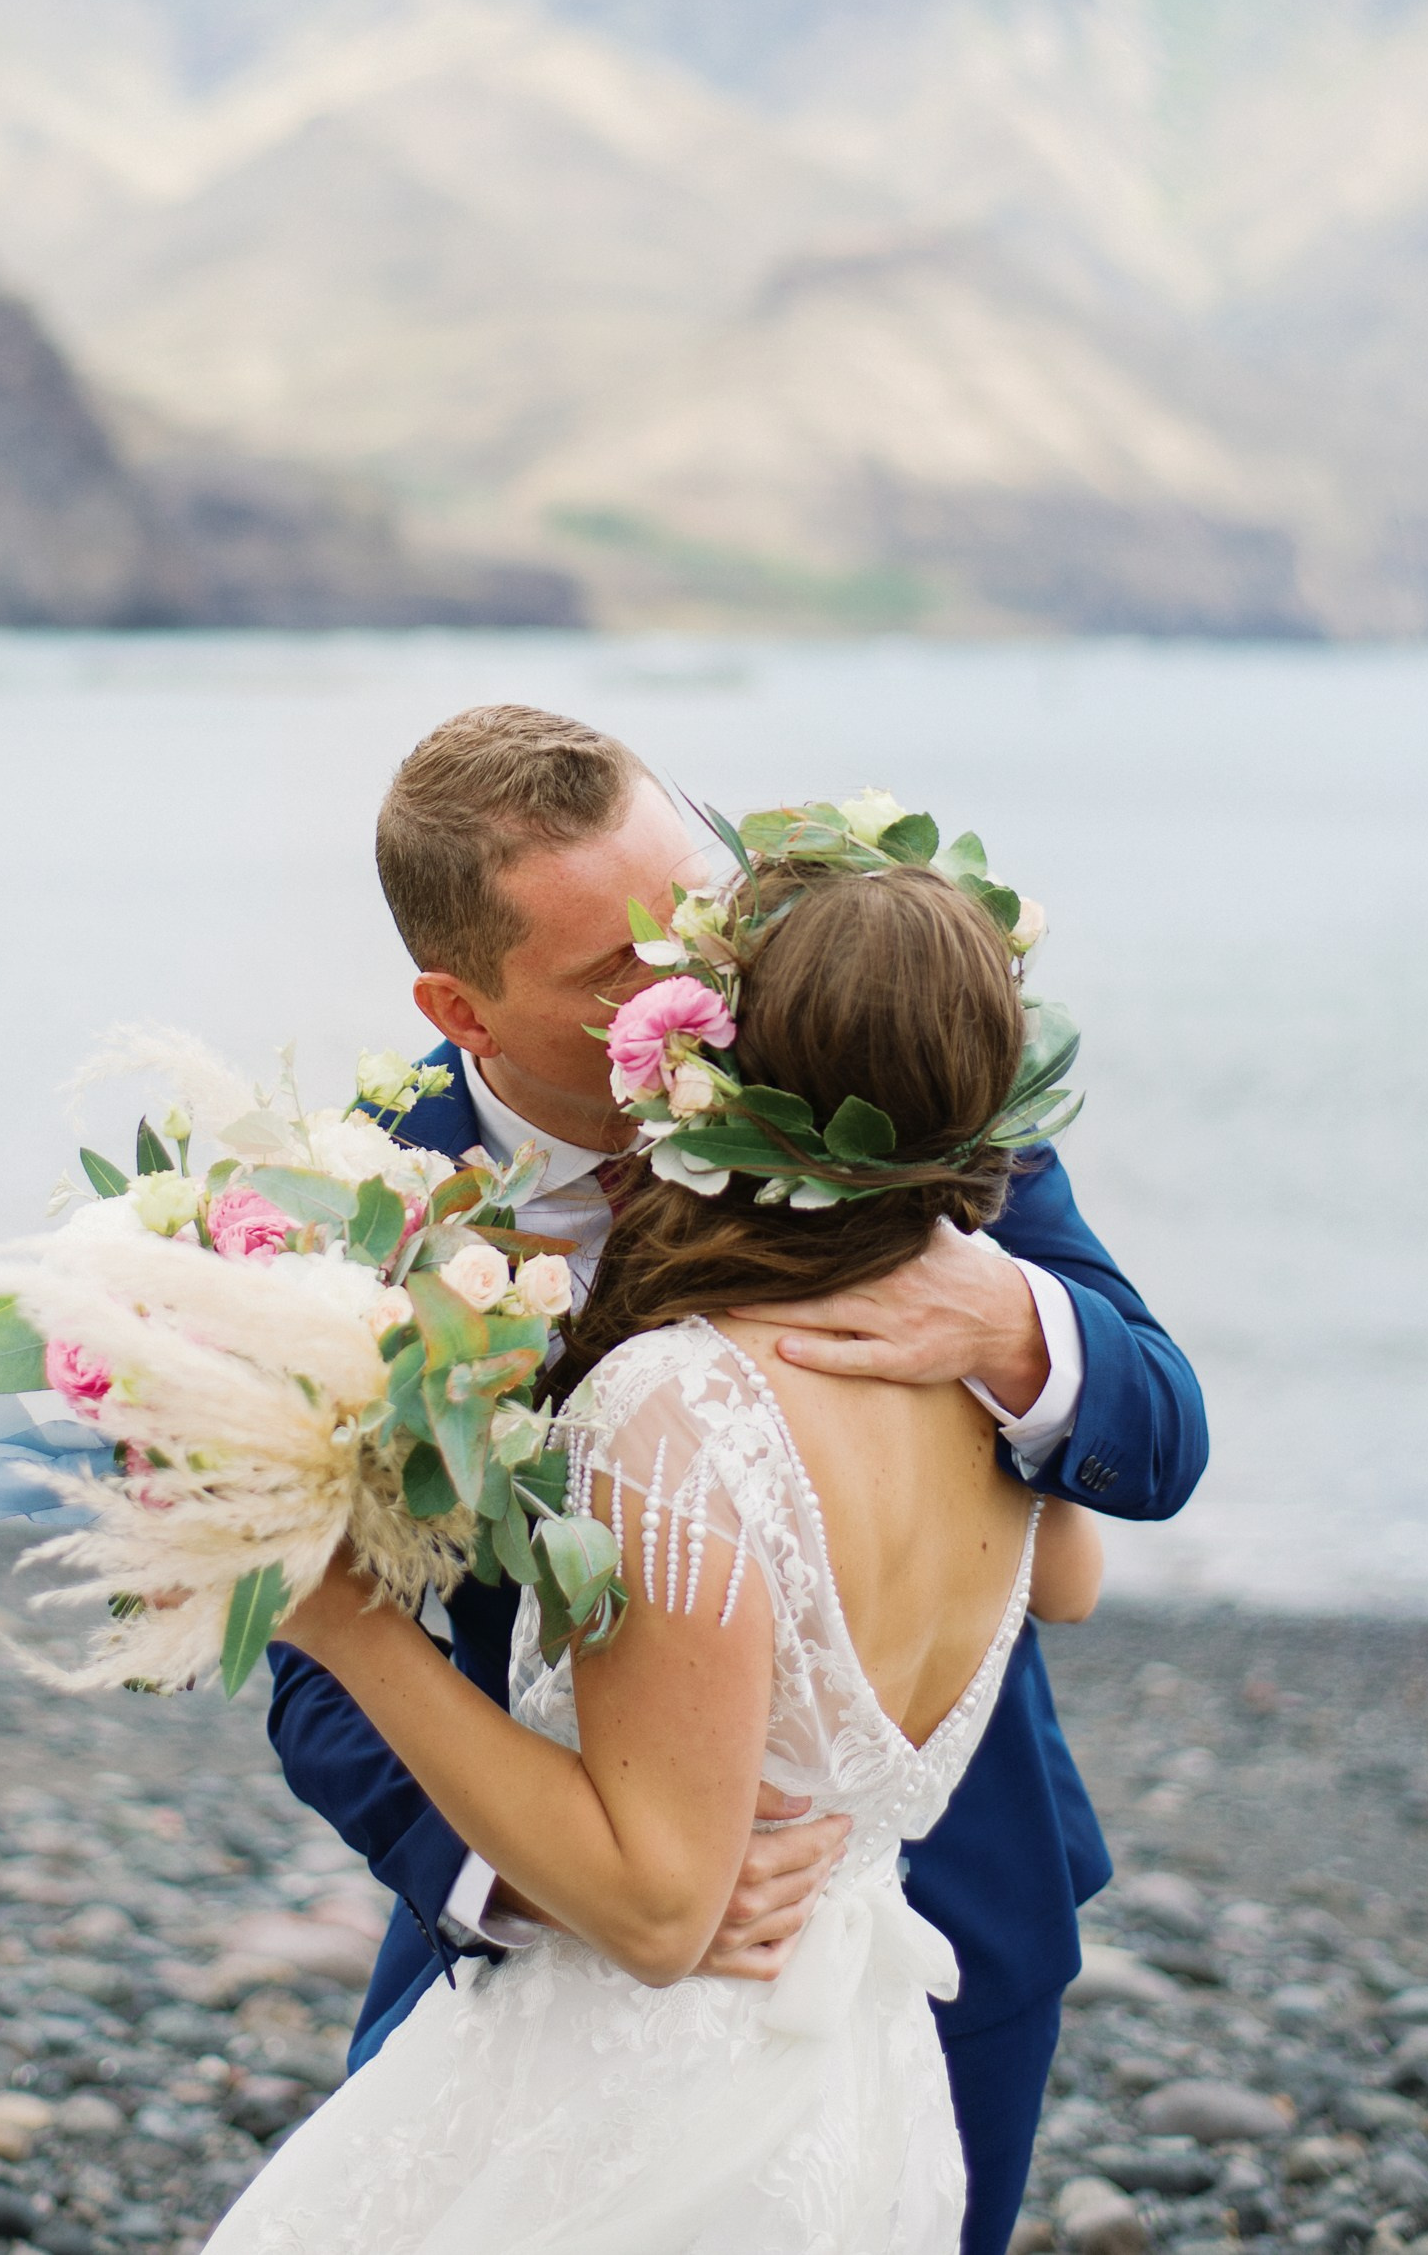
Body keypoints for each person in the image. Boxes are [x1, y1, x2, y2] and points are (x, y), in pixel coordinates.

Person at [265, 705, 1208, 2255]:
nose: (699, 984)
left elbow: (1155, 1436)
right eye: (616, 976)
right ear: (462, 1005)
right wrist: (506, 1884)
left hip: (944, 1920)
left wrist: (1012, 1323)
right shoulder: (355, 1211)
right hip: (545, 1945)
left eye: (695, 909)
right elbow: (315, 1641)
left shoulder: (877, 1082)